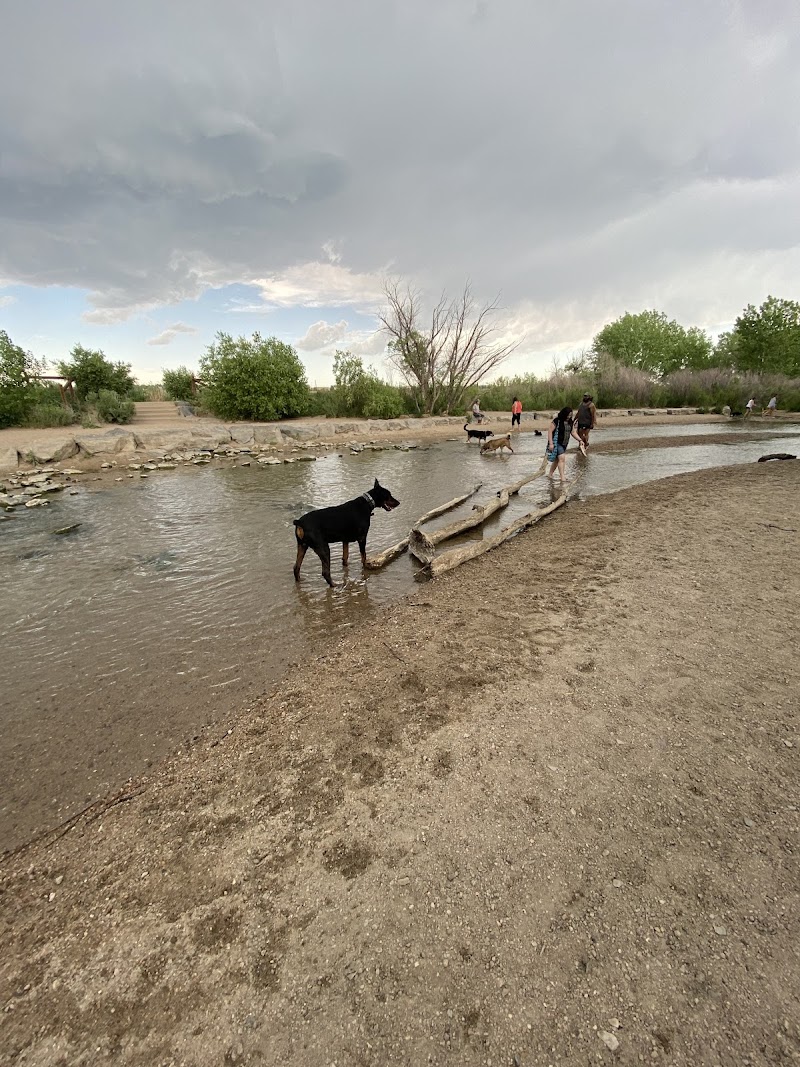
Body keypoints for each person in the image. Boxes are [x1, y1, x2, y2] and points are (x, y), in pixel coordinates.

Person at [546, 406, 582, 483]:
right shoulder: (557, 421)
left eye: (570, 415)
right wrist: (551, 443)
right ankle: (562, 478)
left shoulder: (570, 422)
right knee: (562, 458)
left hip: (564, 444)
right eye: (568, 415)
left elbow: (573, 432)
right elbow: (550, 431)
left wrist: (580, 440)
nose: (569, 417)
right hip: (556, 443)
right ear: (564, 414)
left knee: (557, 460)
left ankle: (550, 474)